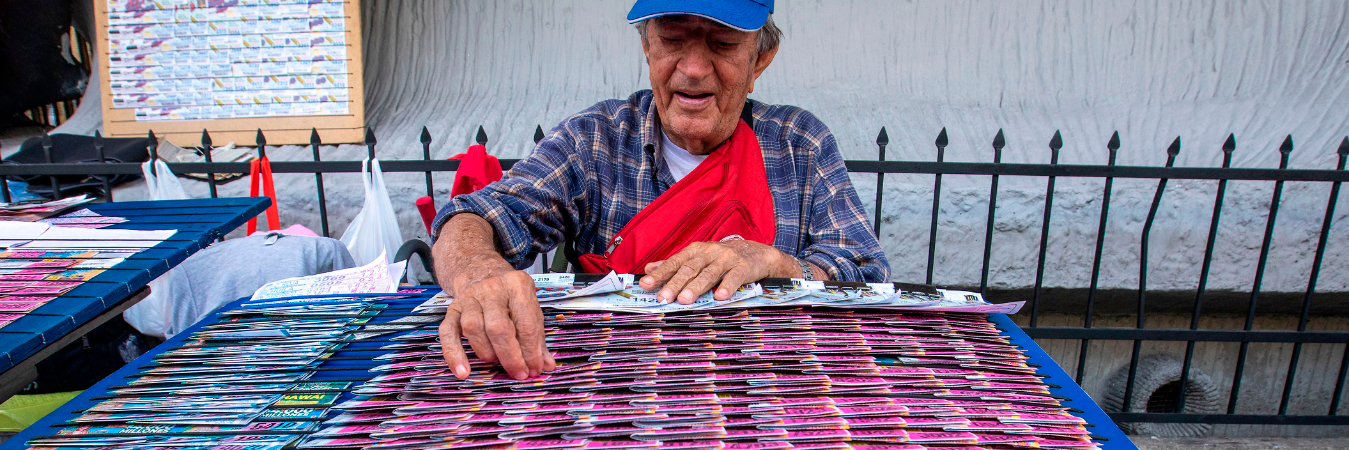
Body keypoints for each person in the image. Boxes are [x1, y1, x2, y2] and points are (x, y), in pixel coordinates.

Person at [430, 0, 890, 381]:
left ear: (759, 60)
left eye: (723, 43)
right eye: (672, 40)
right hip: (613, 391)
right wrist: (476, 273)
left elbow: (868, 273)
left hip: (764, 390)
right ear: (647, 47)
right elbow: (479, 214)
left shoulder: (798, 144)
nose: (692, 69)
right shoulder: (596, 139)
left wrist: (777, 265)